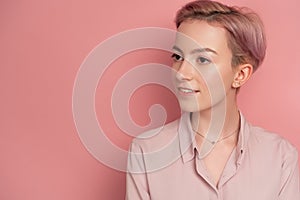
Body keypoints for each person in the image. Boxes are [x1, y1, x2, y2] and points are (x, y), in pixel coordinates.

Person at [126, 0, 300, 199]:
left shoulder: (280, 157)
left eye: (202, 60)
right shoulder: (146, 152)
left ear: (240, 74)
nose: (182, 73)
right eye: (177, 57)